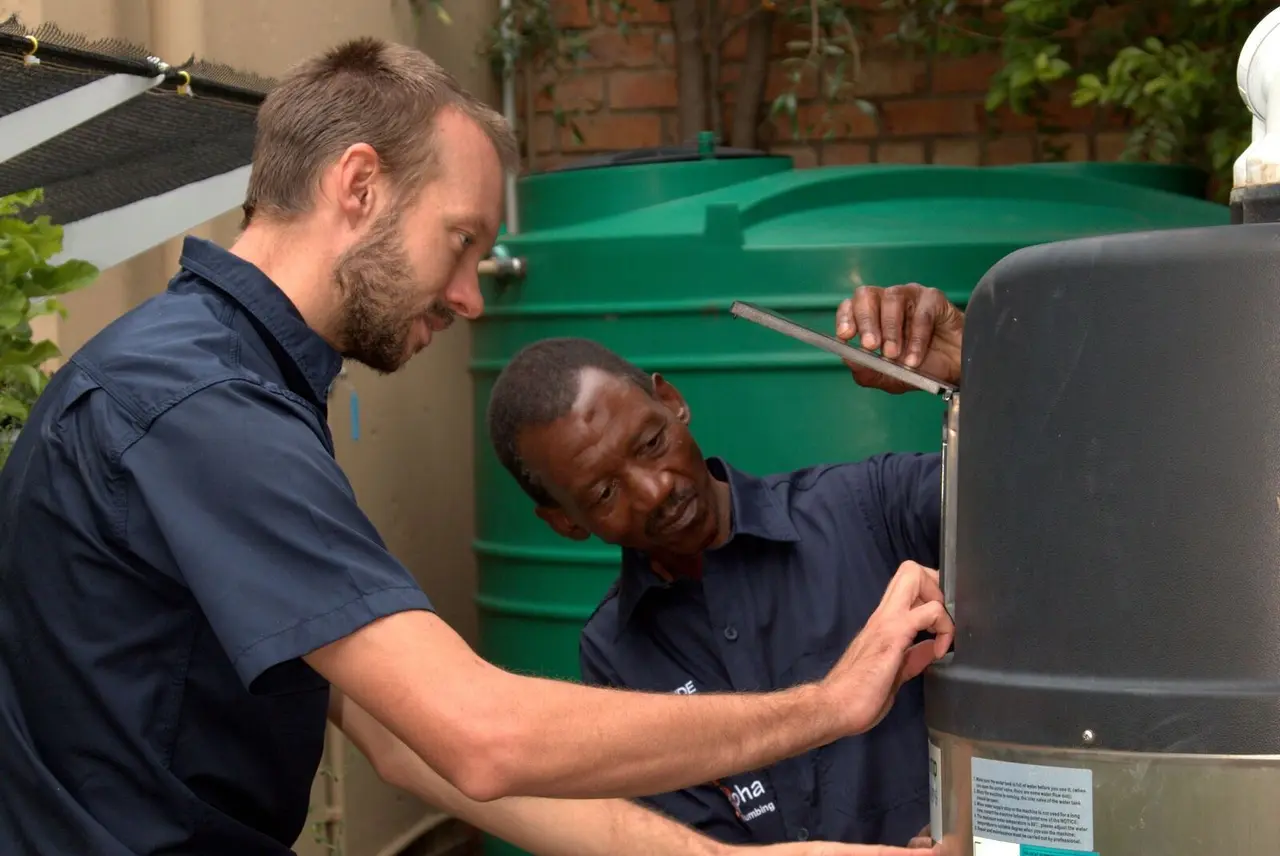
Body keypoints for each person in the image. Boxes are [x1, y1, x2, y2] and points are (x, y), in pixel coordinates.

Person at [0, 37, 952, 856]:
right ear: (359, 185)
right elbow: (480, 734)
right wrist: (829, 704)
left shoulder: (226, 387)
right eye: (460, 241)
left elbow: (407, 742)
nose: (469, 298)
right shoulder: (202, 406)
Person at [483, 284, 964, 849]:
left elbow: (1046, 517)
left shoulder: (872, 505)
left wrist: (974, 367)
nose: (655, 490)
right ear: (565, 522)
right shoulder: (615, 653)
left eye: (651, 443)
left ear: (673, 402)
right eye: (605, 492)